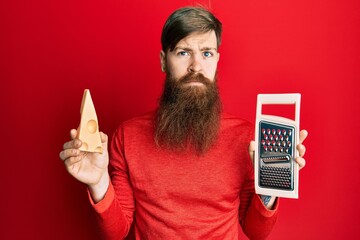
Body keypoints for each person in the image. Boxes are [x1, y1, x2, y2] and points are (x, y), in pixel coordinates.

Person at [60, 6, 308, 240]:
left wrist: (273, 182)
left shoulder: (246, 138)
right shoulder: (127, 137)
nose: (196, 66)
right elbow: (117, 231)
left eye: (206, 53)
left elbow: (256, 231)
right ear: (163, 60)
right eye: (183, 52)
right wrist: (98, 181)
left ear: (217, 60)